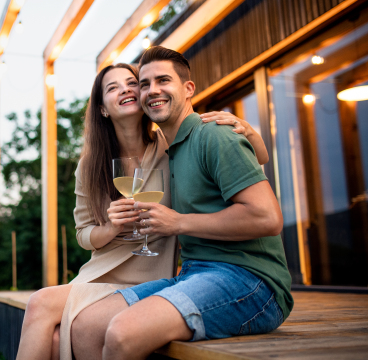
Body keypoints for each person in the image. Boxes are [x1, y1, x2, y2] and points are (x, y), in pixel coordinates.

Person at [16, 62, 269, 360]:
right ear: (103, 109)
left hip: (153, 273)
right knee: (49, 321)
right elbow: (83, 235)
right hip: (103, 272)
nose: (125, 89)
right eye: (113, 88)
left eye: (131, 83)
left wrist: (249, 132)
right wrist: (111, 228)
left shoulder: (170, 144)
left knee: (43, 306)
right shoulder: (91, 164)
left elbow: (257, 158)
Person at [70, 47, 293, 360]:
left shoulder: (214, 135)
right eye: (144, 84)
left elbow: (268, 218)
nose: (151, 91)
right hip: (192, 274)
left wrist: (178, 222)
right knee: (85, 325)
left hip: (251, 280)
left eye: (163, 80)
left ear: (189, 88)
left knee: (122, 331)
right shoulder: (169, 151)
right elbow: (258, 157)